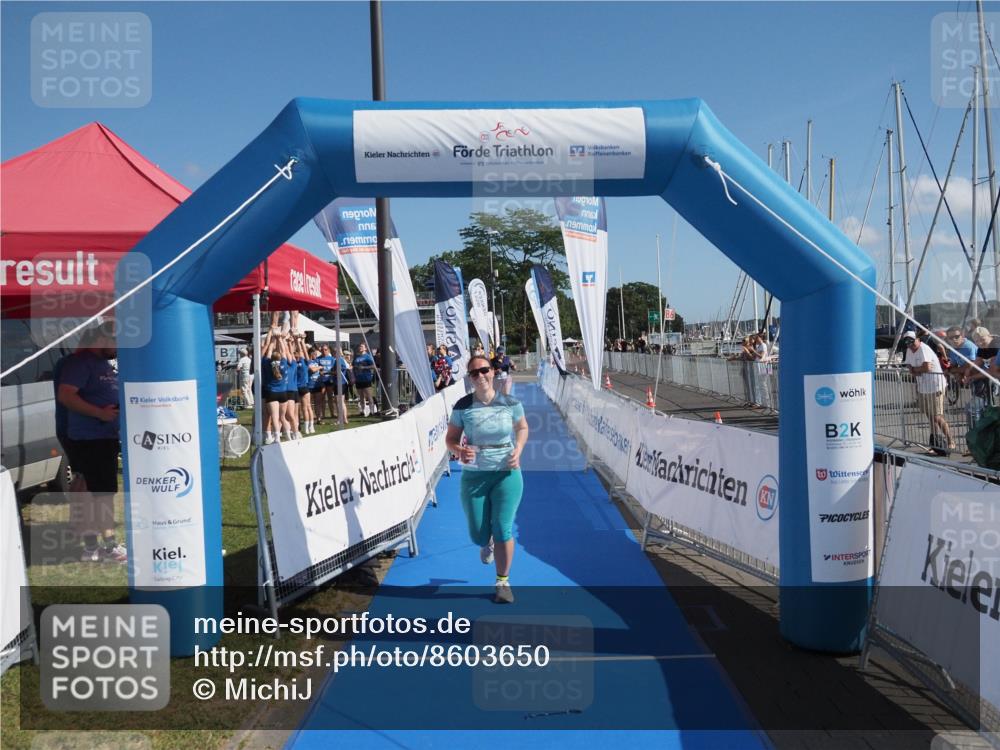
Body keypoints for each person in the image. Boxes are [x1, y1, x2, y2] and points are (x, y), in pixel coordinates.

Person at [444, 355, 529, 604]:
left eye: (484, 370)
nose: (480, 376)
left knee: (503, 527)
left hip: (507, 473)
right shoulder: (462, 406)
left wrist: (519, 449)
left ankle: (502, 581)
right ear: (469, 378)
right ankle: (486, 541)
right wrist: (459, 450)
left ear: (493, 372)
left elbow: (522, 427)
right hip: (474, 476)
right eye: (474, 373)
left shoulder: (510, 402)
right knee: (478, 535)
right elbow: (450, 439)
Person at [56, 322, 126, 563]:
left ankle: (93, 547)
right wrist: (99, 413)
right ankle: (108, 547)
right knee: (101, 494)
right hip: (90, 439)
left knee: (95, 492)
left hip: (102, 438)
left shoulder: (101, 363)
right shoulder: (80, 362)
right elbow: (65, 395)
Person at [902, 330, 954, 452]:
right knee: (930, 416)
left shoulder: (924, 348)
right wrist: (916, 370)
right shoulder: (909, 350)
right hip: (923, 387)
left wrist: (916, 370)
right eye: (907, 341)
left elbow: (927, 367)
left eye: (912, 340)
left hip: (935, 386)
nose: (910, 344)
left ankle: (951, 441)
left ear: (917, 339)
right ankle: (935, 443)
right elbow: (910, 368)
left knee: (937, 416)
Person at [354, 343, 377, 416]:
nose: (360, 348)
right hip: (358, 379)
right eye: (359, 346)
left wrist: (364, 368)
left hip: (366, 378)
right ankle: (362, 411)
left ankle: (372, 411)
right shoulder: (357, 357)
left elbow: (373, 366)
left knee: (369, 395)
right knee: (361, 396)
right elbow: (354, 367)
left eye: (362, 346)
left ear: (365, 348)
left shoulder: (368, 357)